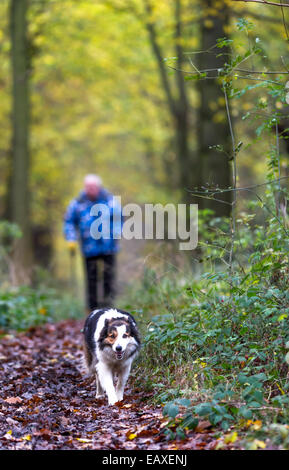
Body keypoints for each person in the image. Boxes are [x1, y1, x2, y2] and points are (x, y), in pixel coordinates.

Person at [63, 174, 122, 312]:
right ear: (84, 187)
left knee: (108, 277)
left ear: (99, 187)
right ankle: (92, 310)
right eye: (88, 187)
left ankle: (109, 308)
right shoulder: (77, 203)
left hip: (109, 246)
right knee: (91, 279)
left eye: (93, 187)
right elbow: (69, 222)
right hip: (88, 247)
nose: (91, 189)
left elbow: (119, 218)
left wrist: (116, 232)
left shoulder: (110, 201)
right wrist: (71, 239)